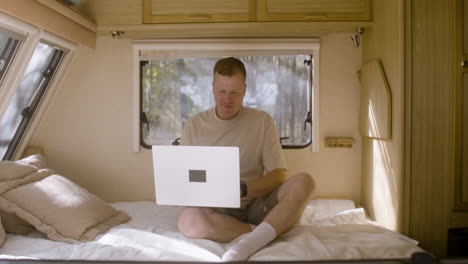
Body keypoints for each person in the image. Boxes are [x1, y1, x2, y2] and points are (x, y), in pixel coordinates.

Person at [177, 57, 315, 261]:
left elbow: (278, 176)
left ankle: (251, 241)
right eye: (222, 91)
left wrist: (241, 188)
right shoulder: (195, 125)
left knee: (305, 182)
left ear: (245, 90)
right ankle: (260, 232)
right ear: (213, 88)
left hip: (255, 205)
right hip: (214, 210)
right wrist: (201, 196)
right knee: (188, 221)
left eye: (235, 92)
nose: (227, 99)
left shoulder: (262, 121)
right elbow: (185, 177)